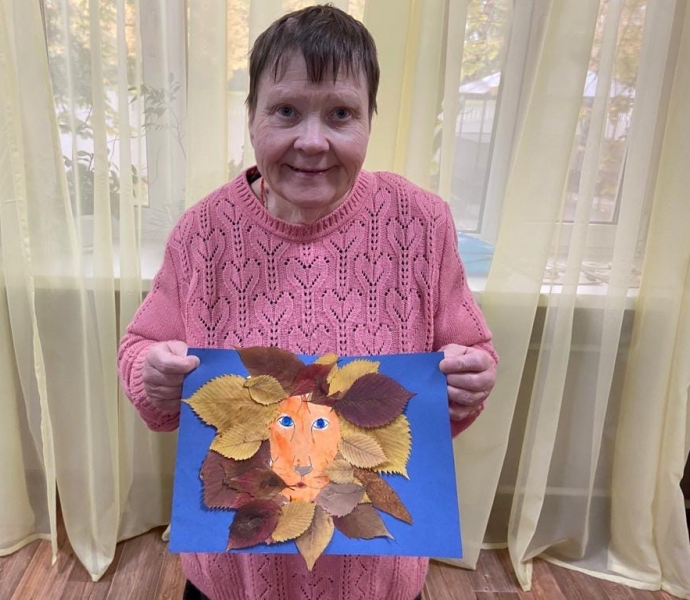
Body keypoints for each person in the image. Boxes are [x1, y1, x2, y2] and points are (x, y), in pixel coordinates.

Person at [118, 5, 497, 600]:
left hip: (376, 579)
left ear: (369, 119)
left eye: (341, 113)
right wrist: (151, 372)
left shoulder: (421, 224)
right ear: (251, 116)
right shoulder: (203, 233)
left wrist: (471, 378)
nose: (312, 141)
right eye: (286, 111)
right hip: (235, 577)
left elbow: (467, 351)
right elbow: (141, 347)